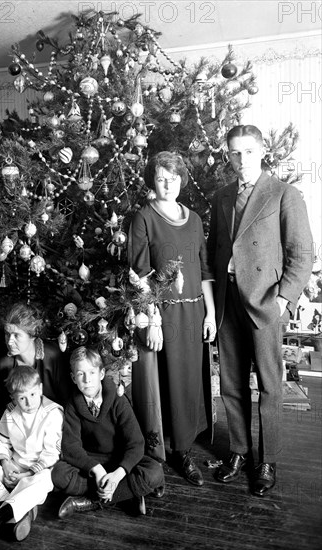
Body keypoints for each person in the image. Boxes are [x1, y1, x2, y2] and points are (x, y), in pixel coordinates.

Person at [207, 124, 313, 496]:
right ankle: (239, 450)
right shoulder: (222, 196)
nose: (241, 160)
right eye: (234, 153)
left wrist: (283, 299)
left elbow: (302, 253)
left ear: (262, 150)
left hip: (266, 300)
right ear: (228, 155)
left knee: (269, 385)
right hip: (229, 298)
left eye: (248, 152)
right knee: (232, 383)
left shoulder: (284, 194)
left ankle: (267, 460)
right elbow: (216, 248)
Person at [127, 151, 216, 486]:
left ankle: (187, 442)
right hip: (163, 314)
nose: (168, 185)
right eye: (161, 178)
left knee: (191, 380)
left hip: (194, 311)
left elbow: (205, 269)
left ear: (183, 180)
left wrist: (209, 312)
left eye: (174, 179)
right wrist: (152, 319)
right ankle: (177, 451)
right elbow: (139, 273)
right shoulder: (143, 218)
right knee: (172, 382)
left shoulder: (193, 219)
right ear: (153, 180)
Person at [51, 346, 164, 518]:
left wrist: (118, 475)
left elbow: (136, 443)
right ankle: (128, 494)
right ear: (74, 378)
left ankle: (88, 502)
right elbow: (71, 446)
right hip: (92, 460)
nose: (87, 379)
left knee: (154, 472)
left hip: (119, 458)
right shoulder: (72, 404)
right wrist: (96, 470)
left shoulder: (118, 400)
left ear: (101, 374)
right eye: (81, 374)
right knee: (58, 474)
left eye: (92, 373)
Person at [0, 365, 63, 549]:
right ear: (13, 398)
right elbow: (1, 441)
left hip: (37, 470)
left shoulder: (53, 413)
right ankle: (18, 511)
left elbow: (51, 454)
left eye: (32, 395)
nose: (29, 402)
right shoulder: (10, 412)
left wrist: (26, 475)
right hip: (15, 465)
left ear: (40, 389)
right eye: (22, 398)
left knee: (42, 482)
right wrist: (6, 463)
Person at [0, 302, 71, 421]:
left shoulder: (53, 356)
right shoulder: (4, 364)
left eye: (16, 335)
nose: (10, 341)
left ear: (32, 335)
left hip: (55, 422)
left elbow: (66, 400)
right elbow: (5, 405)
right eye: (7, 334)